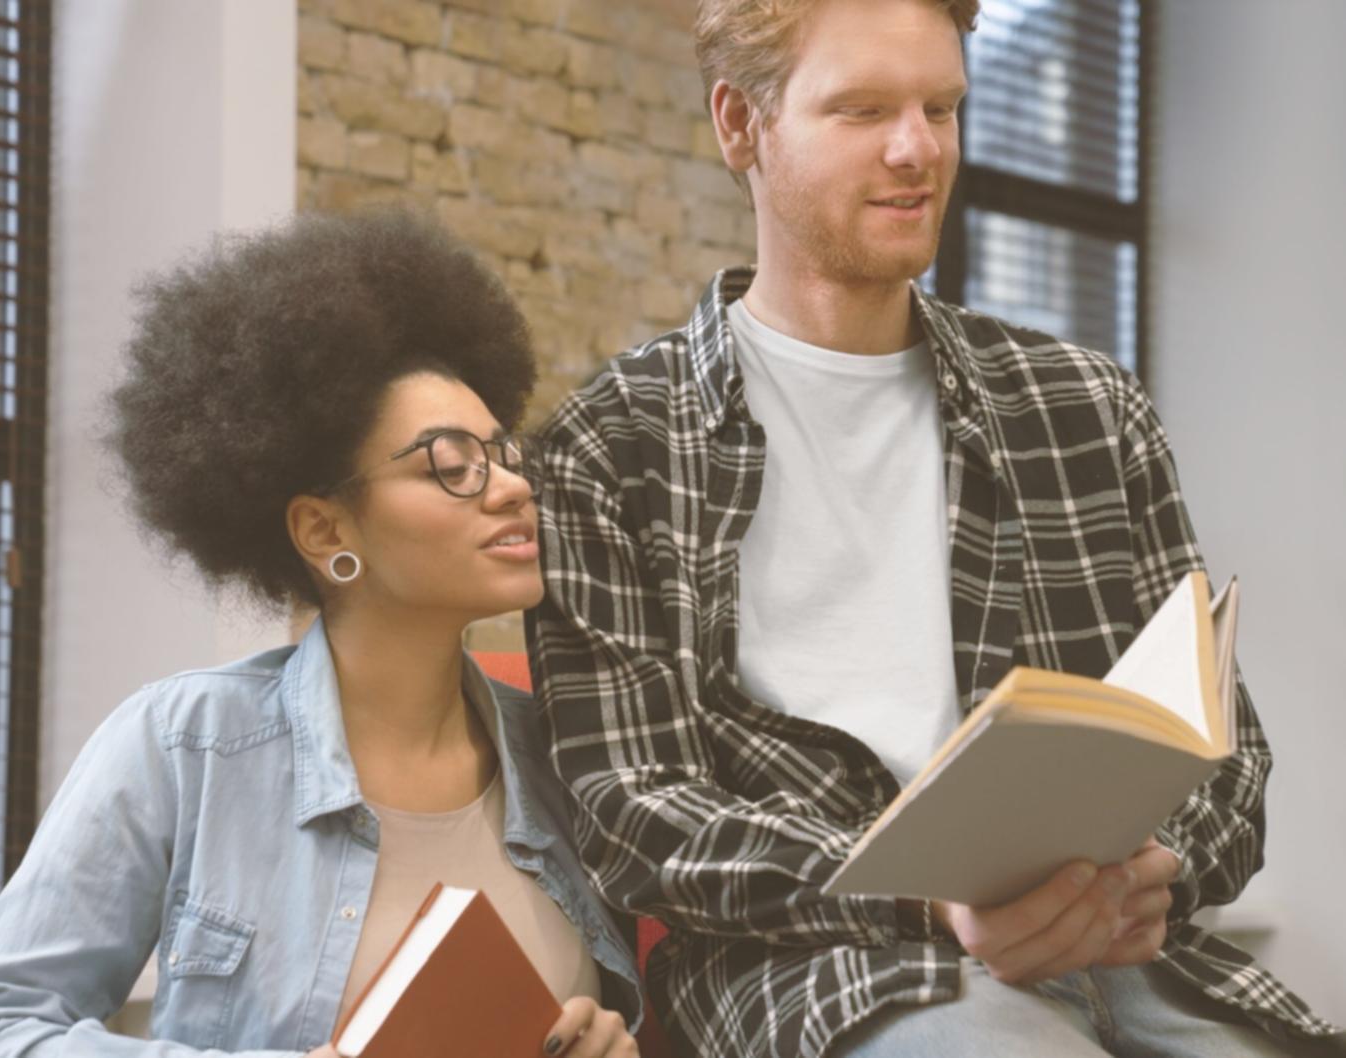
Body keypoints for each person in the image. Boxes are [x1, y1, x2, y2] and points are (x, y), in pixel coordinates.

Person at [525, 1, 1344, 1056]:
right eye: (863, 110)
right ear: (741, 125)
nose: (918, 149)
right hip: (825, 971)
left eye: (942, 108)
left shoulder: (1086, 405)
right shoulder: (612, 445)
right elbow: (630, 811)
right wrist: (929, 896)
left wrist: (1160, 873)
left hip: (1127, 956)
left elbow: (1226, 753)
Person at [0, 209, 642, 1058]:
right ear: (323, 531)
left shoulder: (569, 758)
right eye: (450, 465)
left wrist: (607, 1041)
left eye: (504, 453)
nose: (510, 490)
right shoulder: (187, 745)